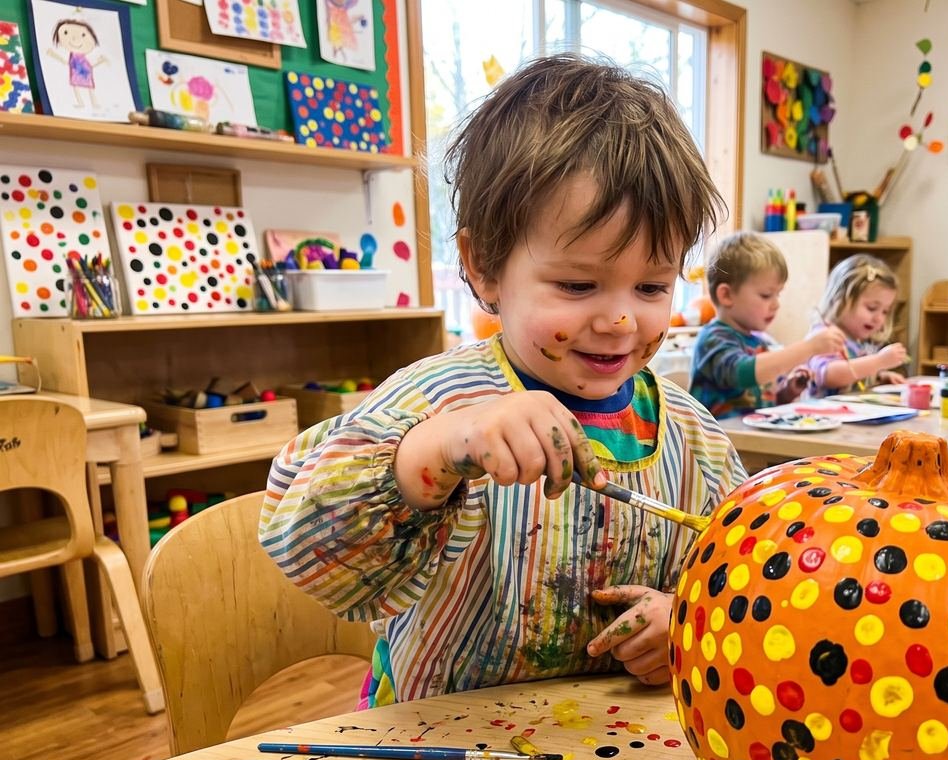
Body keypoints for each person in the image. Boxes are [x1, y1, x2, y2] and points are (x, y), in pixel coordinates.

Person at [259, 55, 745, 707]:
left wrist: (684, 618)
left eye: (653, 287)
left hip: (615, 741)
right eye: (578, 285)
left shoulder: (694, 437)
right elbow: (306, 543)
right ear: (484, 266)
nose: (622, 320)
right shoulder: (433, 402)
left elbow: (736, 577)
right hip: (438, 741)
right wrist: (437, 451)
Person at [688, 232, 845, 418]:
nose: (776, 304)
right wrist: (810, 347)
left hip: (751, 434)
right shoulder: (712, 339)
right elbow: (742, 374)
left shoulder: (759, 342)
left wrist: (788, 391)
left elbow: (762, 402)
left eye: (778, 295)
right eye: (766, 295)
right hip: (716, 436)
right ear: (726, 295)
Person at [803, 254, 908, 397]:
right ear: (840, 299)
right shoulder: (824, 336)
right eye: (871, 308)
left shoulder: (856, 341)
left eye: (885, 311)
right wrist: (879, 361)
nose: (878, 318)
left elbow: (853, 373)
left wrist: (878, 376)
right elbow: (828, 375)